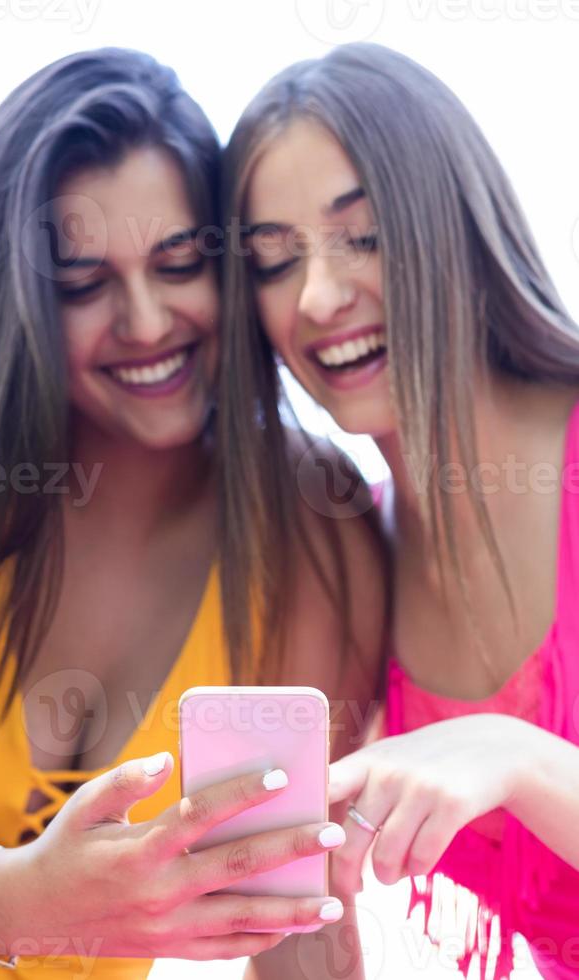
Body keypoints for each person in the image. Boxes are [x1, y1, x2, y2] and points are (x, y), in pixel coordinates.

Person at [0, 48, 386, 978]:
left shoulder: (309, 530)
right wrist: (1, 902)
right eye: (85, 285)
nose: (145, 322)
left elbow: (292, 922)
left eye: (179, 264)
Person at [222, 41, 579, 980]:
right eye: (272, 262)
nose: (320, 297)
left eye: (365, 236)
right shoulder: (348, 553)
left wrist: (517, 757)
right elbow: (293, 933)